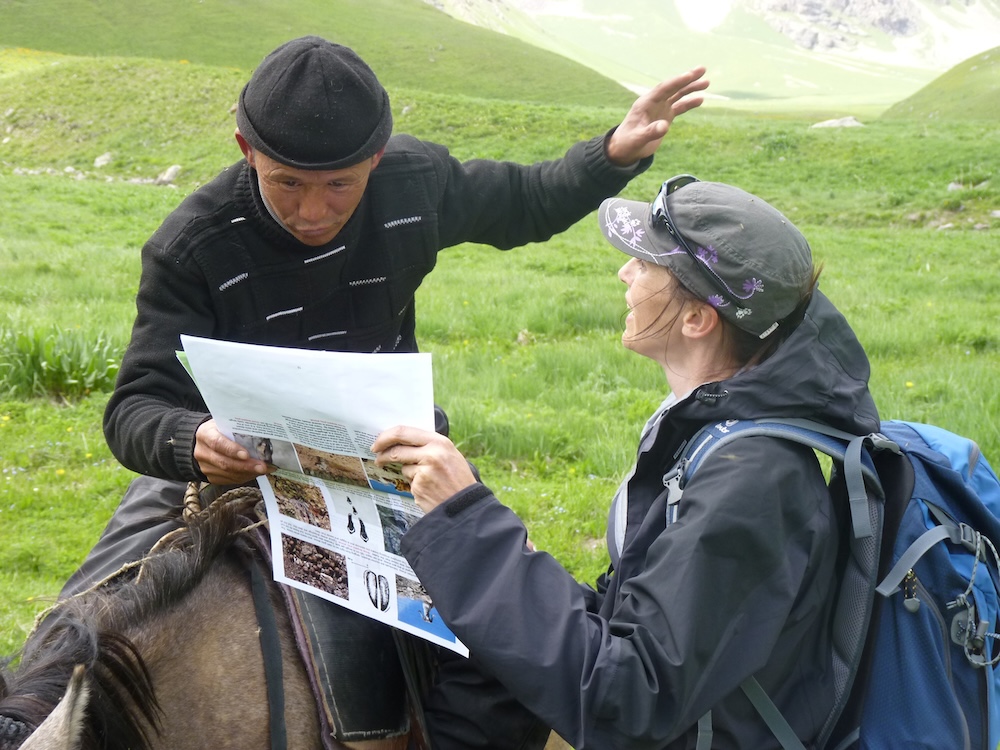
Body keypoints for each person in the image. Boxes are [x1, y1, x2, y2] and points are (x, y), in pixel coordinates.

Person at [62, 34, 709, 749]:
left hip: (393, 458)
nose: (314, 210)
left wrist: (614, 151)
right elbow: (133, 408)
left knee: (501, 659)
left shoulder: (412, 183)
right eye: (287, 184)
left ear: (376, 158)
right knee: (69, 639)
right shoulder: (192, 243)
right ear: (247, 149)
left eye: (340, 184)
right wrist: (193, 441)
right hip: (234, 461)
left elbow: (524, 202)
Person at [373, 176, 882, 748]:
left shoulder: (753, 480)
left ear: (697, 320)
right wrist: (517, 566)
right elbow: (641, 630)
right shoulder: (717, 434)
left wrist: (469, 527)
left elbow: (625, 703)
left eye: (646, 263)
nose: (625, 272)